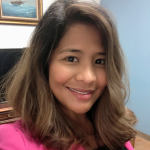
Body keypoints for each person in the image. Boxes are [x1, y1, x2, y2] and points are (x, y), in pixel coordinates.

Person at [0, 0, 137, 149]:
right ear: (44, 63)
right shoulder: (15, 140)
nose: (88, 77)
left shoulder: (112, 125)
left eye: (99, 61)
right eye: (71, 59)